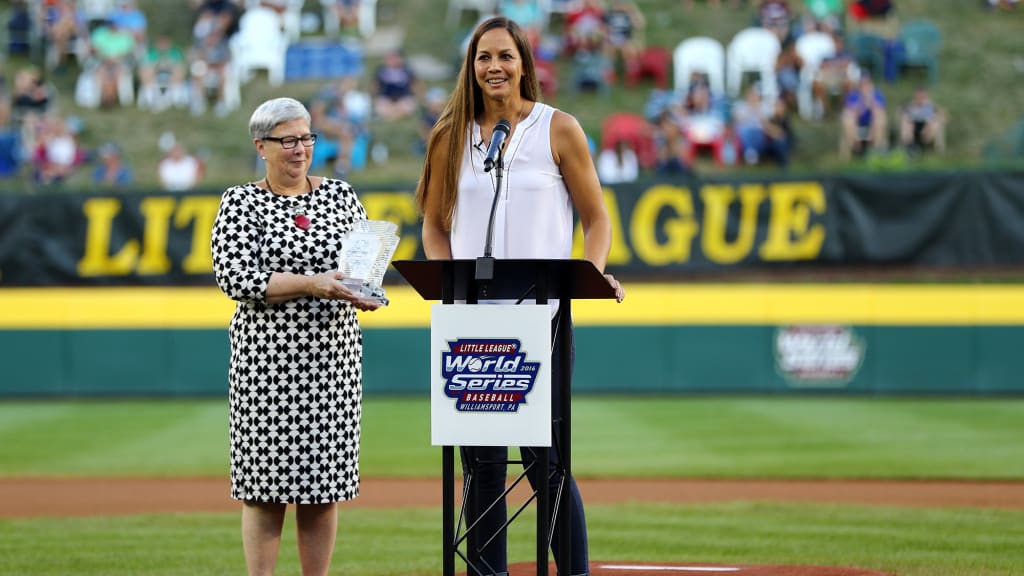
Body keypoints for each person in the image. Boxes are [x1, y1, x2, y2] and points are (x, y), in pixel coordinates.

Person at [415, 17, 625, 576]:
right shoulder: (449, 136)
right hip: (472, 324)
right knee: (482, 467)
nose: (494, 67)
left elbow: (597, 220)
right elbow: (434, 225)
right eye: (483, 57)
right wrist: (450, 288)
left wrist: (587, 276)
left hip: (543, 320)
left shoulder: (560, 129)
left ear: (524, 63)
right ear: (471, 67)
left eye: (505, 56)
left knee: (545, 462)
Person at [211, 97, 382, 576]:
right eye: (288, 140)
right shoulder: (240, 202)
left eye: (306, 138)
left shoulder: (341, 196)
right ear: (261, 146)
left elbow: (363, 267)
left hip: (332, 366)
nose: (300, 149)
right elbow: (235, 278)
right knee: (263, 491)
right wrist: (312, 283)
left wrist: (364, 292)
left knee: (323, 491)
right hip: (266, 368)